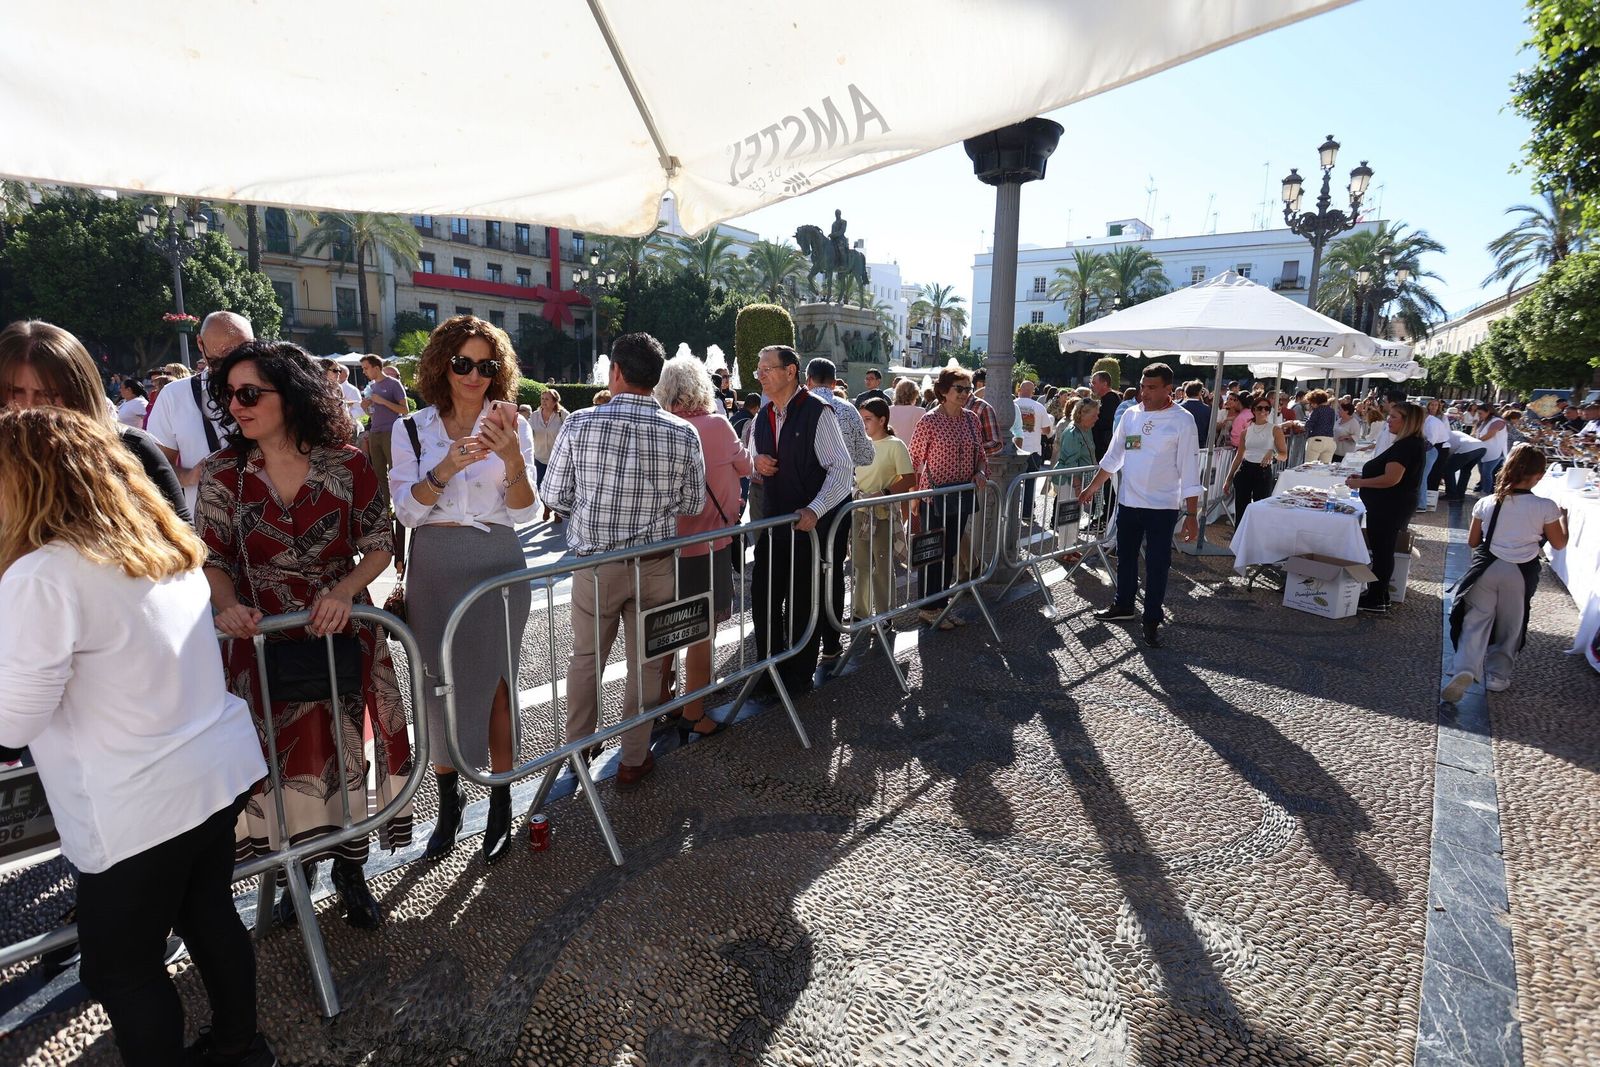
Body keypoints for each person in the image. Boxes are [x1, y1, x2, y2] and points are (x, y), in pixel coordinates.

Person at [0, 408, 274, 1067]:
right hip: (212, 773)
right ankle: (242, 1047)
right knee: (208, 915)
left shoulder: (43, 574)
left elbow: (12, 722)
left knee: (120, 968)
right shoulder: (157, 543)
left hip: (138, 806)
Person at [197, 340, 413, 925]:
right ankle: (294, 871)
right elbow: (211, 556)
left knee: (342, 757)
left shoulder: (348, 464)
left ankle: (348, 871)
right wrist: (227, 603)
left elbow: (377, 545)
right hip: (259, 638)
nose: (235, 406)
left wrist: (343, 591)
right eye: (228, 395)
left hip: (337, 629)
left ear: (289, 396)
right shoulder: (223, 473)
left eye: (249, 393)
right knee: (273, 763)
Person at [388, 316, 534, 862]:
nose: (474, 375)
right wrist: (448, 465)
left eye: (486, 365)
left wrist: (514, 459)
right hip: (436, 565)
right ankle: (448, 808)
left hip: (497, 560)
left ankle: (500, 803)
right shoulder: (410, 430)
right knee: (436, 685)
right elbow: (405, 511)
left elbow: (525, 514)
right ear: (442, 365)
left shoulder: (511, 427)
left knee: (499, 684)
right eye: (463, 363)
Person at [543, 333, 705, 784]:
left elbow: (554, 494)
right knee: (648, 661)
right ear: (655, 379)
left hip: (597, 566)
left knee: (586, 658)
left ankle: (578, 748)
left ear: (615, 372)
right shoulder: (683, 431)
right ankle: (634, 756)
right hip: (656, 564)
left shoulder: (580, 425)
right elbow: (692, 503)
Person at [1, 320, 190, 521]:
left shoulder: (133, 448)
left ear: (80, 392)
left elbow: (183, 540)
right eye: (15, 391)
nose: (29, 405)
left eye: (49, 393)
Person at [652, 353, 749, 736]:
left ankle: (662, 700)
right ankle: (694, 711)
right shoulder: (717, 426)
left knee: (663, 628)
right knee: (701, 633)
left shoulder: (659, 426)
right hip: (709, 544)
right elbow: (746, 467)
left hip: (663, 547)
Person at [747, 345, 853, 690]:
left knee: (803, 604)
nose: (761, 375)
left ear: (791, 371)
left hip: (808, 531)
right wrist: (756, 462)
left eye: (767, 369)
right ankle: (769, 670)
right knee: (763, 599)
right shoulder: (763, 415)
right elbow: (752, 457)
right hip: (773, 527)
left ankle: (798, 676)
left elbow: (842, 469)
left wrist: (815, 509)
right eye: (758, 370)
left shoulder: (818, 412)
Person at [1077, 363, 1201, 648]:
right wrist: (1092, 487)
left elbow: (1190, 470)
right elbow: (1113, 457)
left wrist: (1192, 514)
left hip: (1163, 506)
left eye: (1152, 388)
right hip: (1129, 503)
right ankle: (1123, 605)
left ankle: (1152, 618)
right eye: (1143, 386)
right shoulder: (1130, 415)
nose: (1145, 393)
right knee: (1125, 557)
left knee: (1158, 564)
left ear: (1169, 389)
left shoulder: (1183, 420)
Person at [1441, 444, 1567, 702]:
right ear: (1539, 475)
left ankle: (1464, 668)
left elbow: (1473, 541)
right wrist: (1563, 518)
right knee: (1511, 624)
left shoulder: (1487, 502)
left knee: (1475, 621)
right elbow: (1559, 543)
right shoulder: (1546, 506)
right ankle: (1498, 676)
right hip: (1521, 572)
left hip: (1485, 569)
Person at [146, 311, 254, 517]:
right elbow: (155, 465)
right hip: (205, 529)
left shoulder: (275, 392)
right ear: (200, 344)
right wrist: (188, 476)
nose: (232, 368)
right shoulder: (174, 396)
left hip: (270, 527)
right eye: (220, 361)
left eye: (243, 356)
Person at [907, 368, 989, 631]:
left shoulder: (971, 420)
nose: (965, 394)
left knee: (950, 552)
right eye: (959, 389)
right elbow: (913, 459)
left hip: (961, 495)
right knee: (933, 552)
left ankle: (940, 605)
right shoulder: (929, 421)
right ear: (943, 391)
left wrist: (980, 472)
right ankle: (928, 607)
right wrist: (913, 497)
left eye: (968, 389)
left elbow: (981, 456)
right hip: (933, 497)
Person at [806, 358, 874, 661]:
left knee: (804, 570)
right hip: (838, 501)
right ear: (834, 382)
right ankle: (831, 642)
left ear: (808, 380)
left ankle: (803, 640)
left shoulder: (799, 406)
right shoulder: (847, 409)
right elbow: (866, 455)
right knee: (832, 567)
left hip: (805, 503)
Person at [1344, 401, 1426, 614]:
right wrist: (1365, 477)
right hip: (1391, 504)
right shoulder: (1410, 443)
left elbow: (1392, 479)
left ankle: (1376, 598)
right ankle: (1379, 594)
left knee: (1382, 551)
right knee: (1382, 550)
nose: (1388, 420)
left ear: (1407, 422)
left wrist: (1361, 483)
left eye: (1394, 417)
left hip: (1390, 506)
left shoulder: (1406, 445)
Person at [850, 397, 915, 623]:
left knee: (882, 564)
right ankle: (860, 613)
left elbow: (909, 478)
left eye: (867, 419)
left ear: (882, 420)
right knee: (860, 564)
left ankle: (885, 615)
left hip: (882, 514)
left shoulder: (895, 445)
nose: (863, 423)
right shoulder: (860, 444)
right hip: (859, 511)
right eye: (861, 419)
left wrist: (884, 494)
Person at [1223, 396, 1288, 525]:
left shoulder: (1275, 429)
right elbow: (1239, 456)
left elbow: (1284, 455)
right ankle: (1238, 541)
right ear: (1253, 410)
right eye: (1260, 408)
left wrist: (1273, 453)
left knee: (1261, 510)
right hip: (1245, 470)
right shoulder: (1246, 432)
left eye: (1267, 408)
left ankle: (1256, 542)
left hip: (1263, 471)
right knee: (1241, 511)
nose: (1263, 411)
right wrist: (1228, 479)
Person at [359, 354, 409, 500]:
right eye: (363, 369)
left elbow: (405, 410)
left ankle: (400, 506)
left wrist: (382, 401)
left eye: (366, 368)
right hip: (375, 432)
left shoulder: (393, 384)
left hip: (391, 432)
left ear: (376, 368)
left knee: (395, 472)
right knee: (379, 473)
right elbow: (373, 412)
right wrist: (365, 408)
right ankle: (386, 509)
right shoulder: (371, 387)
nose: (364, 372)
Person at [1012, 379, 1056, 518]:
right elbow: (1047, 430)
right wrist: (1035, 429)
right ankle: (1027, 513)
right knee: (1030, 483)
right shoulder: (1039, 407)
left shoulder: (1011, 405)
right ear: (1033, 392)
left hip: (1013, 449)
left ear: (1019, 390)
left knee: (1011, 483)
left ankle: (1009, 512)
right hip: (1033, 450)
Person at [528, 387, 568, 523]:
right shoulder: (534, 415)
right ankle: (547, 507)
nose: (544, 402)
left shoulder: (563, 415)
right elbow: (528, 434)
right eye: (542, 399)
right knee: (540, 486)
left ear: (555, 401)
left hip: (558, 458)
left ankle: (557, 511)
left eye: (547, 399)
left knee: (557, 488)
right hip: (539, 457)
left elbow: (570, 433)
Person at [1419, 398, 1451, 510]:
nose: (1433, 407)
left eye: (1435, 405)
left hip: (1438, 447)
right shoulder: (1428, 420)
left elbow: (1430, 442)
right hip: (1433, 446)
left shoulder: (1433, 422)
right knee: (1426, 475)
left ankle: (1426, 502)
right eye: (1431, 405)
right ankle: (1424, 502)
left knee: (1430, 475)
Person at [1440, 427, 1487, 501]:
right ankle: (1460, 494)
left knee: (1448, 470)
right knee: (1466, 470)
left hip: (1468, 448)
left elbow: (1446, 455)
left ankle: (1451, 494)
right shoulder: (1454, 433)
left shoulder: (1443, 438)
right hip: (1482, 447)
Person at [965, 369, 1004, 457]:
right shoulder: (945, 406)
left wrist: (967, 451)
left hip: (983, 463)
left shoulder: (984, 407)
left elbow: (995, 443)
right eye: (981, 383)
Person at [1475, 403, 1509, 493]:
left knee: (1486, 473)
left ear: (1488, 412)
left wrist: (1474, 442)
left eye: (1480, 413)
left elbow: (1489, 435)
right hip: (1484, 451)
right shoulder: (1484, 421)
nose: (1478, 415)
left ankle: (1487, 493)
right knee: (1483, 473)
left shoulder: (1497, 421)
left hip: (1495, 452)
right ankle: (1486, 490)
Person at [1302, 389, 1337, 463]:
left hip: (1316, 439)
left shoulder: (1316, 411)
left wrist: (1298, 424)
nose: (1311, 405)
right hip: (1330, 441)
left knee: (1309, 466)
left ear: (1315, 402)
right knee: (1325, 468)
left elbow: (1308, 425)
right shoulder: (1332, 411)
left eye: (1311, 402)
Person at [889, 377, 925, 442]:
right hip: (912, 449)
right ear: (915, 394)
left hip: (892, 448)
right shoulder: (920, 412)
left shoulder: (888, 410)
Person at [1180, 381, 1211, 446]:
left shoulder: (1179, 408)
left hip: (1182, 443)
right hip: (1200, 444)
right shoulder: (1206, 409)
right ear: (1199, 393)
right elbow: (1208, 430)